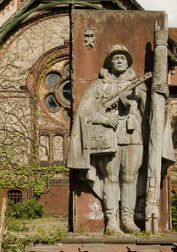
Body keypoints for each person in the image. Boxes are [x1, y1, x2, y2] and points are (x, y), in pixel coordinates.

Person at [67, 44, 168, 234]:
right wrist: (104, 118)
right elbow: (85, 114)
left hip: (133, 136)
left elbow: (150, 115)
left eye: (123, 58)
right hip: (107, 137)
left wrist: (161, 97)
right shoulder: (99, 85)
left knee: (130, 178)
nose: (120, 61)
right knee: (110, 179)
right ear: (109, 63)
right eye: (116, 58)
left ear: (128, 62)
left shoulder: (139, 85)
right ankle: (112, 222)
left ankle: (128, 220)